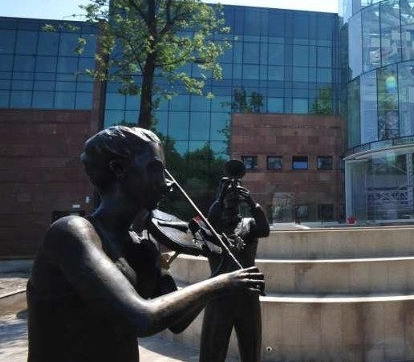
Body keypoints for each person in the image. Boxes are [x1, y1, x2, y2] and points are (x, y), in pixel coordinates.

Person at [27, 126, 264, 362]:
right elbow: (141, 317)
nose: (168, 184)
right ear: (118, 169)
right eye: (156, 170)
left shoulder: (142, 247)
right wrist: (222, 282)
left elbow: (179, 323)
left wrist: (225, 266)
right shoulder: (71, 232)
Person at [200, 170, 270, 362]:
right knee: (212, 350)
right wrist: (220, 196)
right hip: (220, 294)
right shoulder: (213, 227)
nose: (231, 198)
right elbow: (208, 226)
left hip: (247, 296)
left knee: (251, 348)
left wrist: (253, 203)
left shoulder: (249, 225)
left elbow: (264, 229)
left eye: (234, 195)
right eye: (226, 195)